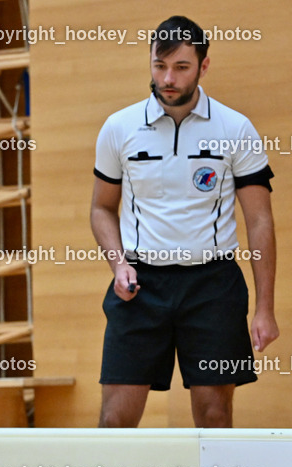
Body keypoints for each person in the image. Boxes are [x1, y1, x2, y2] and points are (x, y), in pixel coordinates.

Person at [90, 15, 278, 428]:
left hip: (212, 288)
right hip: (140, 288)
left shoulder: (235, 129)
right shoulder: (119, 128)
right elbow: (101, 208)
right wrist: (118, 263)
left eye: (181, 67)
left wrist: (265, 308)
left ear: (204, 66)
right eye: (159, 66)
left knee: (215, 414)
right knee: (114, 419)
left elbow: (260, 222)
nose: (168, 78)